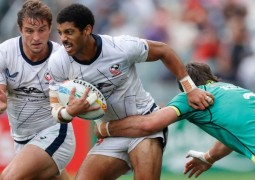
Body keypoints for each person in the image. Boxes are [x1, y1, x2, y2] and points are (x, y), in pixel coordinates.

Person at [47, 3, 213, 180]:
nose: (63, 39)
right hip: (112, 133)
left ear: (87, 30)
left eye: (69, 32)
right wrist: (68, 112)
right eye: (61, 32)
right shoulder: (58, 62)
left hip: (145, 124)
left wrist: (190, 89)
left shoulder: (120, 47)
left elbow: (164, 51)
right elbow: (55, 108)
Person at [97, 62, 255, 179]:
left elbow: (150, 124)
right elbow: (230, 135)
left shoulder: (194, 95)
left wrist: (105, 128)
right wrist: (209, 157)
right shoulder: (233, 89)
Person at [0, 0, 75, 179]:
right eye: (29, 31)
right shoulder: (5, 52)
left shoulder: (62, 59)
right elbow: (1, 99)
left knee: (9, 178)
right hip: (22, 141)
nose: (36, 37)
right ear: (20, 29)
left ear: (50, 29)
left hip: (55, 133)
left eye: (41, 30)